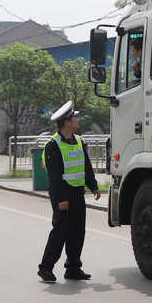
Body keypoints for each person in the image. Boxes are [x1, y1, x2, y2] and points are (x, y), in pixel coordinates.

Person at [37, 101, 101, 283]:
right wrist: (61, 199)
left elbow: (86, 166)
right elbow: (55, 176)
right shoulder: (53, 145)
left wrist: (93, 185)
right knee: (60, 231)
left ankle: (73, 267)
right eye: (75, 117)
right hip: (63, 194)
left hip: (78, 193)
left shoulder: (79, 141)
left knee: (77, 231)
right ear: (67, 122)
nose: (78, 119)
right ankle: (45, 268)